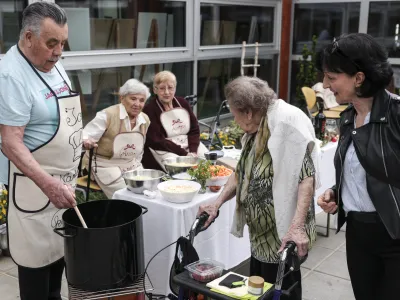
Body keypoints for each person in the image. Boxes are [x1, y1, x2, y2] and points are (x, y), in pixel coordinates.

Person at [198, 76, 319, 300]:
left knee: (283, 293)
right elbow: (241, 173)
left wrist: (297, 227)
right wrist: (216, 204)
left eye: (234, 114)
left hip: (283, 237)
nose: (234, 121)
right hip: (260, 238)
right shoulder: (257, 131)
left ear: (248, 112)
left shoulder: (284, 124)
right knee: (259, 291)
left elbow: (306, 178)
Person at [0, 2, 80, 299]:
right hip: (35, 189)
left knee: (57, 263)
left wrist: (77, 138)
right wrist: (48, 183)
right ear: (28, 37)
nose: (58, 52)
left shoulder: (53, 62)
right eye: (51, 44)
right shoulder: (11, 75)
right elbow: (10, 141)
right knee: (36, 275)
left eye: (62, 43)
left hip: (62, 183)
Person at [316, 33, 400, 300]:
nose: (325, 85)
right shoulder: (349, 117)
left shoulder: (397, 115)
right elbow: (361, 169)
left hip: (394, 236)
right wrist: (336, 191)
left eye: (331, 77)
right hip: (358, 234)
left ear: (359, 78)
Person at [82, 79, 151, 198]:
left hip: (131, 164)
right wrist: (86, 140)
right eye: (133, 98)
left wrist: (137, 164)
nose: (137, 104)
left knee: (149, 190)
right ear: (122, 98)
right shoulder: (107, 115)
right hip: (105, 166)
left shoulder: (145, 119)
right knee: (127, 195)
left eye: (141, 100)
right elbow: (85, 135)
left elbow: (140, 148)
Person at [142, 70, 208, 171]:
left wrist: (193, 151)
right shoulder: (149, 109)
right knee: (179, 168)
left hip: (188, 144)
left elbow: (194, 129)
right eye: (162, 88)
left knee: (205, 161)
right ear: (155, 90)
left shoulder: (182, 103)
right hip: (165, 149)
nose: (167, 92)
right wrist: (184, 154)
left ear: (175, 88)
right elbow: (157, 141)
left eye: (170, 88)